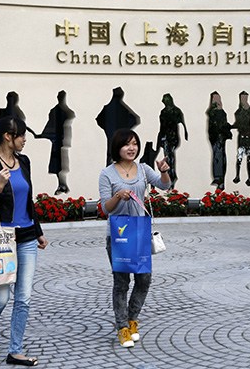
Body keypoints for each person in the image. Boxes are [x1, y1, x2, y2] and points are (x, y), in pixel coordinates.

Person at [0, 116, 48, 366]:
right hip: (0, 240)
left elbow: (29, 200)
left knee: (24, 298)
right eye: (21, 135)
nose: (25, 140)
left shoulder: (24, 161)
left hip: (26, 237)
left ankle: (15, 350)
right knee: (1, 298)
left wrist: (38, 231)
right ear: (8, 136)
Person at [99, 129, 171, 348]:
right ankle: (122, 327)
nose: (131, 148)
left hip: (139, 233)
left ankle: (132, 319)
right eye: (127, 144)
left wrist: (165, 172)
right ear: (117, 148)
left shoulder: (143, 169)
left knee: (144, 279)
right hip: (118, 235)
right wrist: (117, 196)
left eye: (135, 144)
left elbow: (164, 185)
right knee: (121, 282)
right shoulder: (107, 174)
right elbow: (104, 207)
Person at [156, 93, 188, 188]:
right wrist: (160, 138)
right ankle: (170, 176)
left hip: (172, 137)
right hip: (165, 137)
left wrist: (185, 132)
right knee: (168, 156)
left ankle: (171, 176)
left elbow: (182, 122)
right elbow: (161, 126)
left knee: (170, 156)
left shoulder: (175, 111)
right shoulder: (164, 112)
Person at [206, 91, 232, 190]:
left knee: (220, 157)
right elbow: (215, 124)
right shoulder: (213, 112)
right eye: (214, 99)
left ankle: (220, 178)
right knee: (218, 157)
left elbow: (223, 124)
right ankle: (218, 177)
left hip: (220, 138)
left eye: (217, 99)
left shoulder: (221, 111)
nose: (216, 101)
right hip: (215, 137)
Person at [232, 91, 250, 186]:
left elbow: (242, 122)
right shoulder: (240, 109)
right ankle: (237, 175)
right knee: (239, 157)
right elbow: (238, 123)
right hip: (241, 135)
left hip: (248, 135)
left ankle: (249, 177)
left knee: (249, 157)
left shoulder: (246, 108)